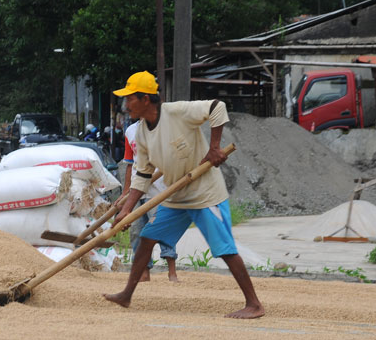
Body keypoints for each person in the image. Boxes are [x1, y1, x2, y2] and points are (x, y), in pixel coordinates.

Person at [103, 71, 265, 319]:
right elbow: (143, 175)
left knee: (224, 248)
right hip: (176, 196)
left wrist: (214, 147)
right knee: (147, 239)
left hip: (205, 194)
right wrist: (126, 210)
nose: (125, 105)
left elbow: (217, 107)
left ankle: (254, 304)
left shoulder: (177, 112)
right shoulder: (142, 133)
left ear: (145, 99)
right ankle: (126, 294)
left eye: (129, 99)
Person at [119, 118, 179, 283]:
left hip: (159, 189)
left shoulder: (164, 127)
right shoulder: (130, 131)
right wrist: (125, 192)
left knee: (163, 229)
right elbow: (130, 164)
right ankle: (144, 272)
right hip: (136, 191)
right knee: (137, 232)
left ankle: (172, 272)